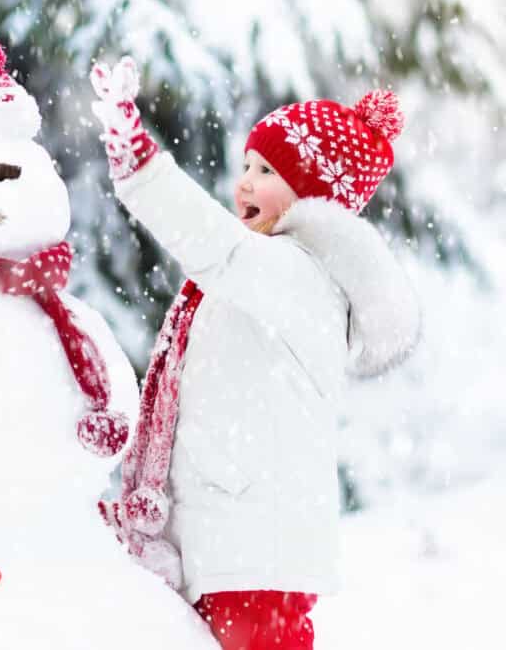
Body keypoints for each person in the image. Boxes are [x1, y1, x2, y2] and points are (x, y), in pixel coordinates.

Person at [89, 58, 421, 650]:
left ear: (313, 191)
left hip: (252, 554)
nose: (243, 181)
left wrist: (140, 164)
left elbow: (213, 244)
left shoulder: (298, 274)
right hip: (233, 545)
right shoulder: (262, 279)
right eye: (245, 165)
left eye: (266, 169)